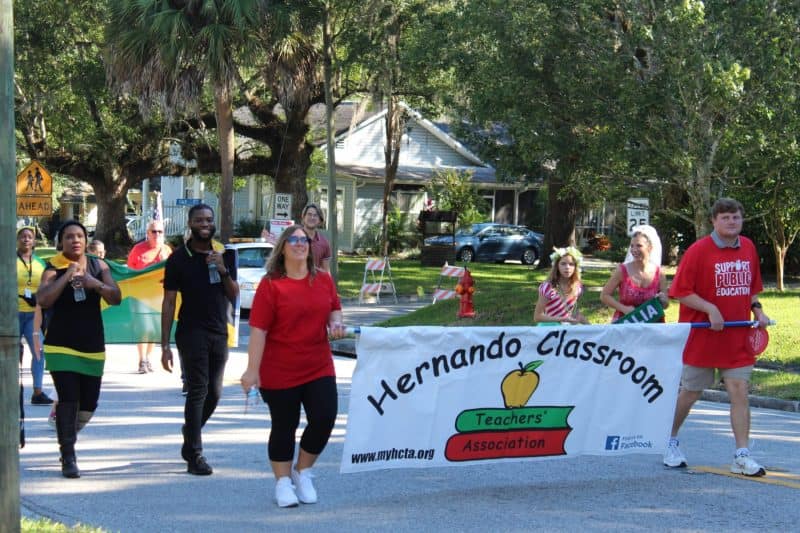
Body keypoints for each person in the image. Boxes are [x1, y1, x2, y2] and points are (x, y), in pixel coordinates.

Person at [664, 198, 771, 476]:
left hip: (736, 336)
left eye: (735, 217)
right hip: (703, 335)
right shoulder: (698, 251)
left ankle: (741, 454)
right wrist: (710, 308)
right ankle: (669, 439)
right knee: (691, 391)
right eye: (725, 218)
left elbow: (751, 289)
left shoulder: (748, 247)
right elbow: (680, 291)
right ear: (714, 221)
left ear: (741, 219)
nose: (731, 222)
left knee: (739, 391)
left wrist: (757, 310)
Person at [241, 224, 346, 508]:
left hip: (318, 364)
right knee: (284, 426)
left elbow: (334, 307)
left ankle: (303, 471)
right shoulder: (271, 284)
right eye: (294, 240)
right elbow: (259, 331)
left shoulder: (323, 280)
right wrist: (252, 370)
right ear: (283, 248)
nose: (300, 244)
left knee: (324, 418)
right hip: (279, 369)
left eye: (304, 240)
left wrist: (336, 322)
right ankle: (283, 482)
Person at [37, 220, 122, 478]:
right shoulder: (52, 268)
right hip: (61, 344)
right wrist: (67, 276)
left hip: (92, 343)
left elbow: (115, 297)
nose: (75, 241)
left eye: (80, 236)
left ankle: (65, 432)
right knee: (69, 398)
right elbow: (43, 299)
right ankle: (68, 455)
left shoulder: (99, 265)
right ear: (60, 242)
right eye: (69, 237)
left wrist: (92, 282)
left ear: (86, 241)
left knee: (89, 403)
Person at [161, 204, 238, 476]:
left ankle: (190, 431)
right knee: (198, 391)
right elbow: (169, 302)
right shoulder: (179, 259)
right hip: (191, 332)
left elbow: (234, 294)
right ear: (190, 224)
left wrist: (223, 269)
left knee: (214, 394)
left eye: (209, 219)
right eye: (199, 220)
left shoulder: (224, 254)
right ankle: (195, 455)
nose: (205, 223)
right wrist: (165, 345)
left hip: (219, 331)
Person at [127, 220, 172, 373]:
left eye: (160, 231)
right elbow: (130, 272)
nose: (157, 234)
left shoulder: (167, 250)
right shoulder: (138, 249)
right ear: (147, 233)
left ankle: (148, 358)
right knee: (143, 328)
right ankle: (142, 360)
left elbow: (173, 273)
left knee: (153, 329)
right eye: (153, 231)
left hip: (159, 296)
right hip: (140, 296)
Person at [600, 225, 669, 322]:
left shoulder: (659, 274)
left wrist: (663, 300)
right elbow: (604, 295)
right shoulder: (622, 270)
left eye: (639, 245)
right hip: (627, 323)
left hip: (652, 324)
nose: (634, 250)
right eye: (632, 246)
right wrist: (624, 309)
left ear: (650, 247)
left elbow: (665, 305)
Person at [16, 226, 53, 405]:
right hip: (12, 314)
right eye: (22, 236)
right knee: (10, 354)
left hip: (33, 315)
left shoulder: (40, 263)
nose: (26, 239)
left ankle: (38, 392)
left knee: (38, 352)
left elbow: (47, 287)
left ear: (34, 241)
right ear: (17, 240)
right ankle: (9, 390)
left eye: (29, 237)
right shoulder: (9, 261)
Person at [261, 203, 332, 272]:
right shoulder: (292, 235)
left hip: (313, 283)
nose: (312, 217)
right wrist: (270, 240)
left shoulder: (324, 243)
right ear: (303, 217)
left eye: (315, 215)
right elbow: (281, 246)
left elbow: (325, 270)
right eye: (309, 214)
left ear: (320, 220)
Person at [534, 246, 589, 324]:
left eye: (571, 264)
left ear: (575, 267)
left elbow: (574, 312)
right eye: (563, 264)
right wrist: (562, 319)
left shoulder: (577, 287)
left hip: (567, 329)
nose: (567, 267)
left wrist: (591, 327)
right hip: (549, 328)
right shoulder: (548, 287)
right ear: (557, 266)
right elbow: (537, 317)